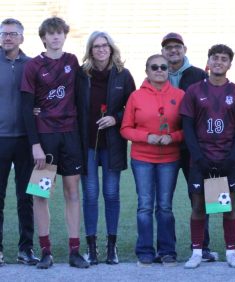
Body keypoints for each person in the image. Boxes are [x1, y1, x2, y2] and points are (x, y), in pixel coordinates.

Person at [21, 16, 89, 269]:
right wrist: (35, 144)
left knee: (72, 192)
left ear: (64, 35)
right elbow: (27, 108)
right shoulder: (33, 66)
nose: (55, 37)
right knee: (42, 194)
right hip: (45, 137)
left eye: (59, 32)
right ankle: (46, 251)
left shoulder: (72, 61)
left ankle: (74, 250)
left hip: (70, 136)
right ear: (43, 38)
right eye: (50, 33)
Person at [180, 44, 235, 269]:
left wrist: (232, 157)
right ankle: (197, 252)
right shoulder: (194, 90)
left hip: (226, 160)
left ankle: (231, 252)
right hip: (201, 160)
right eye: (215, 58)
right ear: (208, 62)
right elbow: (188, 127)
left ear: (230, 64)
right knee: (199, 206)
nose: (219, 62)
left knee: (226, 207)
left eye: (224, 59)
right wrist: (198, 157)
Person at [76, 31, 135, 265]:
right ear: (90, 50)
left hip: (112, 144)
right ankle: (92, 248)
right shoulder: (81, 75)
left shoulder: (123, 75)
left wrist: (116, 118)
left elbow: (133, 107)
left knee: (111, 194)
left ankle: (112, 247)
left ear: (111, 49)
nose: (101, 49)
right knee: (90, 195)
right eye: (96, 46)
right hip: (87, 144)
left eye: (105, 45)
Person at [120, 54, 184, 267]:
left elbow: (187, 130)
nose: (159, 70)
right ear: (146, 71)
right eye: (154, 67)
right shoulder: (136, 97)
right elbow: (125, 129)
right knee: (145, 206)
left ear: (168, 71)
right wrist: (146, 137)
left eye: (163, 67)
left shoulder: (180, 95)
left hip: (169, 158)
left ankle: (167, 251)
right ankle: (145, 251)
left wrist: (172, 137)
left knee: (165, 206)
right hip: (142, 159)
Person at [160, 32, 216, 262]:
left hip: (194, 147)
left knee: (200, 197)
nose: (173, 51)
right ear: (163, 51)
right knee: (163, 201)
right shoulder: (158, 72)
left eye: (177, 47)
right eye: (168, 47)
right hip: (165, 146)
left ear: (185, 49)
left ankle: (202, 246)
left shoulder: (198, 75)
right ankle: (166, 250)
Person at [0, 18, 38, 266]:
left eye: (13, 34)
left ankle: (26, 249)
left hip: (28, 142)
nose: (7, 38)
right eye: (4, 34)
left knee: (29, 196)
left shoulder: (32, 65)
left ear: (22, 38)